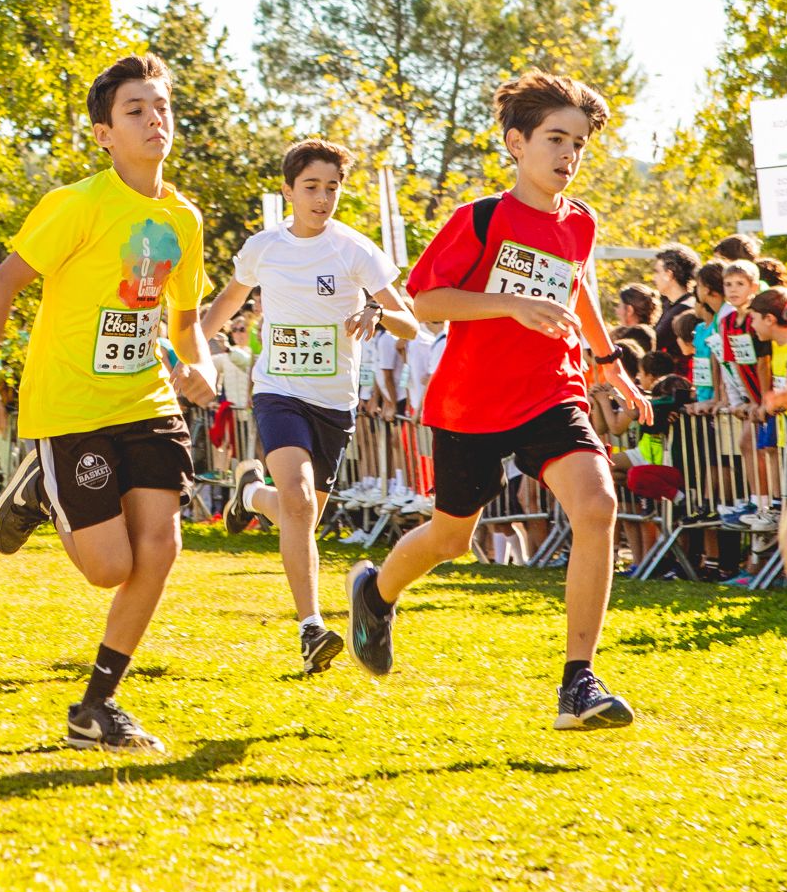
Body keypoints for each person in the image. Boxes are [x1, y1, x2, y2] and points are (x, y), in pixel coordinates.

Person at [345, 71, 649, 730]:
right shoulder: (479, 218)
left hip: (550, 389)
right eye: (554, 139)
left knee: (597, 504)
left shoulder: (581, 223)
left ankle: (579, 683)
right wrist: (510, 304)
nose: (568, 155)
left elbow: (576, 288)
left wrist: (606, 364)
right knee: (451, 538)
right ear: (516, 142)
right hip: (470, 402)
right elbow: (425, 302)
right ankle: (375, 590)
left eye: (579, 143)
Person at [0, 52, 218, 756]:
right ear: (104, 133)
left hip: (146, 398)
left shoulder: (182, 218)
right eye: (135, 110)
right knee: (108, 565)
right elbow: (0, 287)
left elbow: (184, 317)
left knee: (159, 549)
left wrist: (196, 363)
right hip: (69, 406)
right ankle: (37, 489)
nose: (153, 119)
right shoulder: (76, 204)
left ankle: (96, 705)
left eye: (160, 106)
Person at [200, 138, 421, 673]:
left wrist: (377, 313)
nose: (322, 198)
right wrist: (190, 351)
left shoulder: (355, 250)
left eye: (332, 188)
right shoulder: (264, 248)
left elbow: (411, 322)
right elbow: (230, 300)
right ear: (288, 190)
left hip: (334, 404)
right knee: (298, 503)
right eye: (311, 188)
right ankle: (311, 628)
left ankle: (250, 493)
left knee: (296, 513)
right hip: (278, 391)